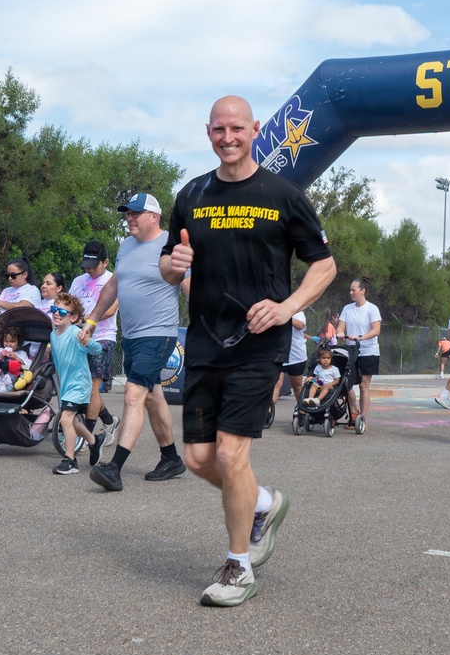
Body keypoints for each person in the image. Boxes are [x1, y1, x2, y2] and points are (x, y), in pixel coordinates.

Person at [159, 95, 335, 607]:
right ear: (208, 132)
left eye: (237, 128)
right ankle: (262, 504)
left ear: (255, 129)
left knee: (232, 454)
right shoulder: (191, 194)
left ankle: (239, 567)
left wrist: (286, 307)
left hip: (260, 344)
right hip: (206, 340)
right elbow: (169, 267)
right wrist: (176, 264)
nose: (228, 137)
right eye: (219, 129)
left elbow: (323, 266)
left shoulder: (283, 194)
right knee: (197, 458)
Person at [84, 192, 191, 492]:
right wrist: (92, 319)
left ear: (153, 217)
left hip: (158, 334)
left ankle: (114, 468)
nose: (129, 217)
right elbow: (114, 285)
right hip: (131, 336)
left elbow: (188, 285)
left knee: (133, 394)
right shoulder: (126, 246)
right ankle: (171, 458)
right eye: (127, 213)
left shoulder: (172, 246)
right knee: (152, 394)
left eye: (135, 213)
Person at [70, 240, 121, 446]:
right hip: (78, 339)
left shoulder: (114, 280)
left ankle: (86, 437)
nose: (89, 269)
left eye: (94, 265)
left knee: (93, 388)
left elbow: (110, 310)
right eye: (86, 265)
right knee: (80, 387)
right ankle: (110, 421)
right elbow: (70, 305)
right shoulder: (78, 281)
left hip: (103, 338)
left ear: (106, 261)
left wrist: (87, 320)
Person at [48, 292, 106, 475]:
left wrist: (87, 341)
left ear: (73, 317)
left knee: (65, 419)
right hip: (66, 385)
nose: (56, 314)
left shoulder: (75, 333)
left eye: (62, 312)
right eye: (54, 310)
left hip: (79, 384)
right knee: (71, 420)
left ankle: (70, 460)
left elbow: (97, 350)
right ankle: (94, 441)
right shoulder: (53, 335)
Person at [336, 277, 381, 427]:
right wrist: (340, 333)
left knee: (363, 385)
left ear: (362, 291)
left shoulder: (371, 309)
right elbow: (340, 327)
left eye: (353, 290)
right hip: (351, 352)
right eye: (350, 290)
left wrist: (360, 337)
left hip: (369, 351)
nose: (350, 292)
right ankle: (353, 413)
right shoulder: (347, 308)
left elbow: (376, 330)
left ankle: (362, 418)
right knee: (346, 384)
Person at [271, 310, 307, 411]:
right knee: (277, 384)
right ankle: (268, 412)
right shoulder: (275, 312)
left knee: (297, 386)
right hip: (279, 355)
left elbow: (300, 325)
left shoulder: (299, 313)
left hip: (296, 357)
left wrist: (285, 316)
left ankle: (302, 410)